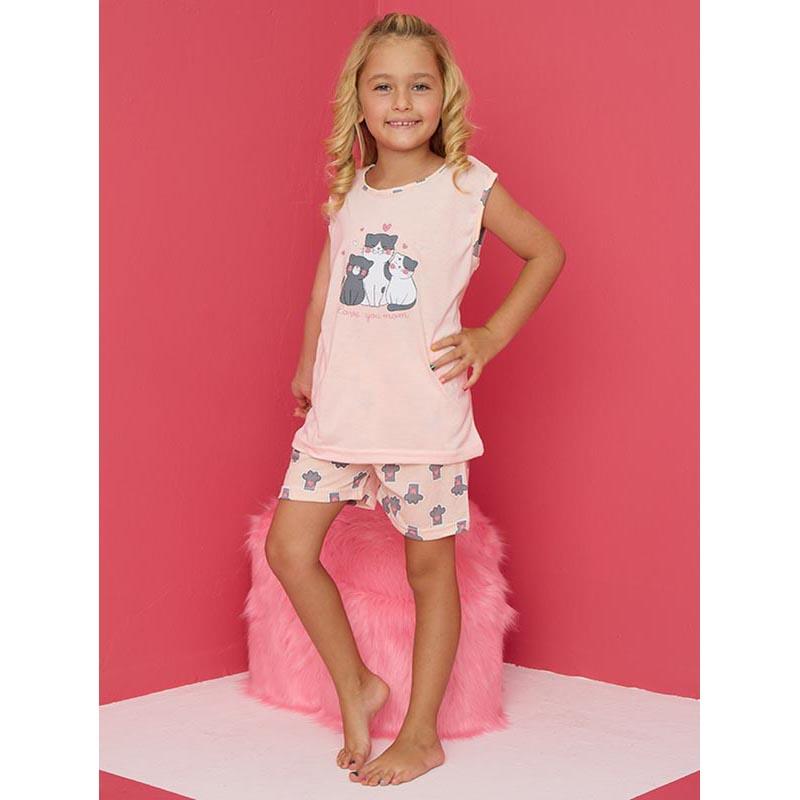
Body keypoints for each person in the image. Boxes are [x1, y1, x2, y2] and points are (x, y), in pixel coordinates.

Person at [265, 12, 565, 788]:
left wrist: (490, 336)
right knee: (289, 549)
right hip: (341, 413)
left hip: (421, 420)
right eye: (384, 87)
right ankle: (358, 684)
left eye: (419, 86)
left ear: (444, 95)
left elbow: (545, 251)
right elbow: (324, 290)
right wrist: (307, 364)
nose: (402, 102)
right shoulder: (349, 192)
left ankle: (422, 734)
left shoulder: (468, 184)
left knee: (431, 574)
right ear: (359, 100)